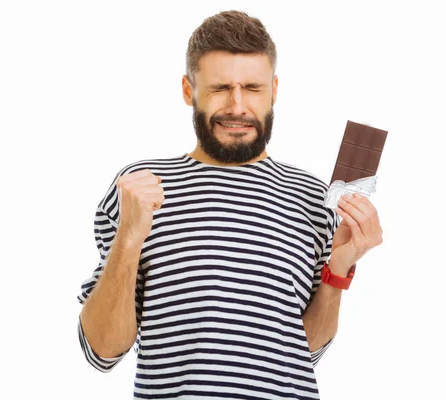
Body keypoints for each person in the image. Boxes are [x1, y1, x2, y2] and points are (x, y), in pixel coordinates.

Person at [77, 9, 383, 400]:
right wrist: (129, 239)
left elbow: (300, 353)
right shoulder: (139, 188)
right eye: (220, 87)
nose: (238, 106)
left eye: (252, 88)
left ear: (274, 89)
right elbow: (101, 352)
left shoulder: (314, 198)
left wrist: (338, 271)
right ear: (189, 90)